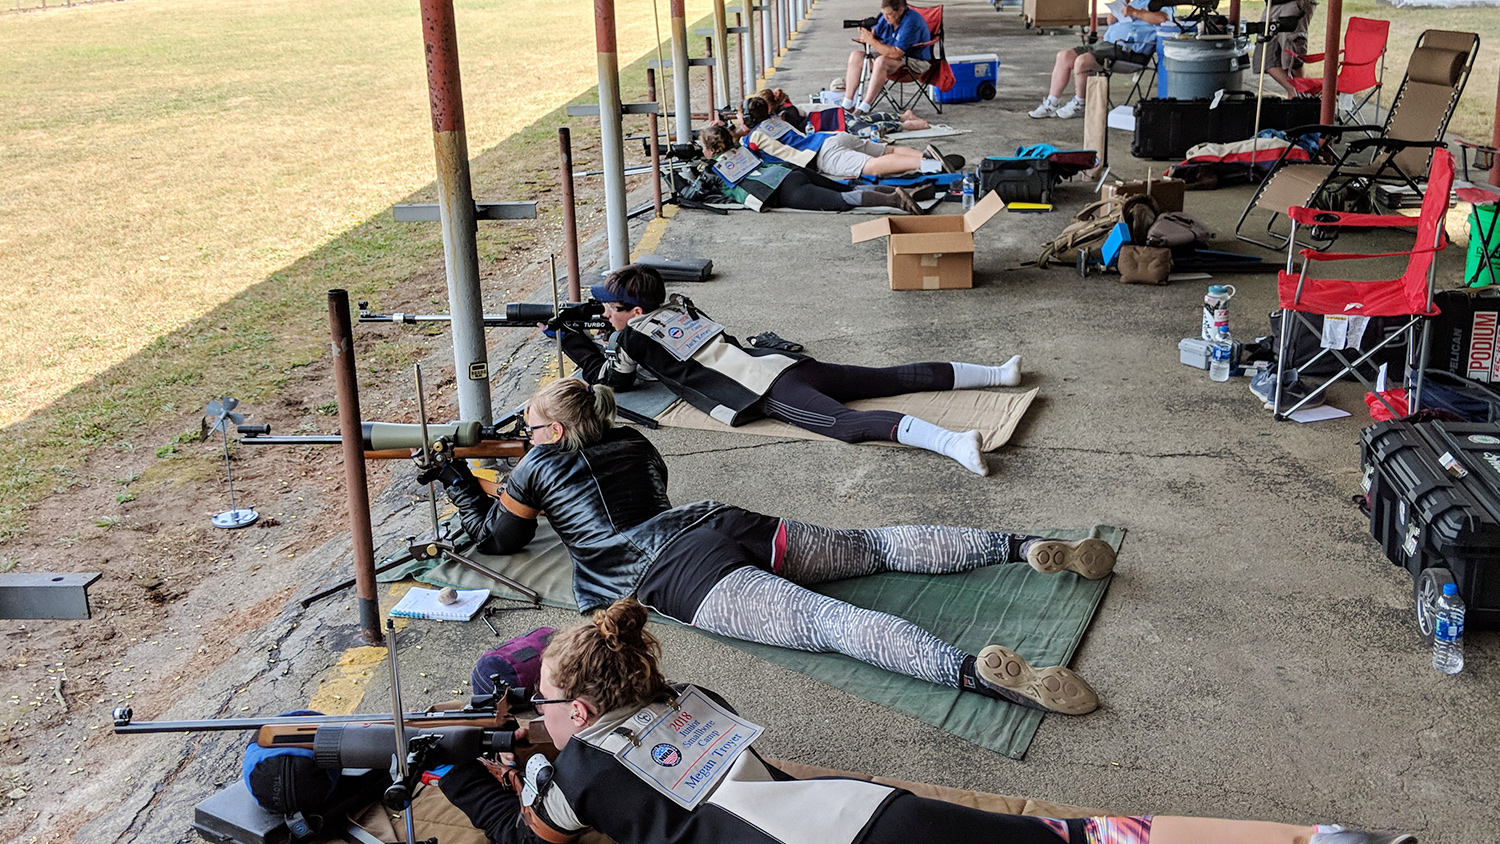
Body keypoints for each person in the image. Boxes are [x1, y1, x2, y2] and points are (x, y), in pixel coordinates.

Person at [439, 598, 1417, 844]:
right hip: (877, 812)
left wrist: (462, 769)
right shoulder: (698, 703)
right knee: (1091, 834)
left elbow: (534, 834)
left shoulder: (574, 780)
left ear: (578, 709)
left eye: (546, 708)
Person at [424, 377, 1116, 715]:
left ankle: (973, 673)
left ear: (549, 432)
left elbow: (500, 539)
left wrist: (458, 479)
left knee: (829, 623)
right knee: (873, 546)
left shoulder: (535, 465)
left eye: (530, 423)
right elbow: (647, 488)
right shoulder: (634, 440)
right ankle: (1023, 545)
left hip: (675, 574)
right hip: (721, 522)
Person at [561, 263, 1014, 474]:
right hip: (783, 364)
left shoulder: (630, 336)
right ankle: (996, 374)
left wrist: (571, 341)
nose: (606, 316)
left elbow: (612, 381)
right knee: (887, 377)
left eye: (611, 310)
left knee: (846, 425)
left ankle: (954, 442)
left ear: (634, 313)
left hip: (762, 390)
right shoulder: (682, 307)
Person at [690, 124, 928, 214]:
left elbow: (693, 193)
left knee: (842, 199)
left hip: (779, 190)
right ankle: (905, 189)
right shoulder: (743, 150)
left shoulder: (712, 169)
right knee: (847, 185)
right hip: (792, 171)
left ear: (710, 150)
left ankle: (896, 201)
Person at [739, 95, 961, 180]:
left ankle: (929, 164)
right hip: (831, 137)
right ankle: (924, 155)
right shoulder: (777, 120)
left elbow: (744, 151)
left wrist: (731, 132)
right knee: (887, 151)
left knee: (872, 166)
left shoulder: (754, 137)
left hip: (821, 155)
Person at [1029, 0, 1171, 120]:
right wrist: (1114, 19)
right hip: (1106, 44)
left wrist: (1135, 13)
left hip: (1128, 51)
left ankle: (1081, 103)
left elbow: (1163, 19)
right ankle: (1051, 102)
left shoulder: (1162, 3)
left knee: (1082, 62)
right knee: (1064, 56)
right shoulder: (1136, 1)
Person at [840, 0, 931, 116]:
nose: (885, 17)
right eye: (883, 14)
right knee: (856, 56)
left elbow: (896, 53)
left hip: (915, 61)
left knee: (881, 61)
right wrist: (866, 33)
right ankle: (847, 104)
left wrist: (871, 41)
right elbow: (875, 36)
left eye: (889, 14)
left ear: (901, 10)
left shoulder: (911, 22)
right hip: (892, 58)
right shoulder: (885, 18)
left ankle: (865, 107)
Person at [1253, 0, 1317, 98]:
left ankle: (1298, 97)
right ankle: (1298, 94)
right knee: (1264, 58)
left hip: (1294, 2)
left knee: (1292, 59)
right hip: (1273, 4)